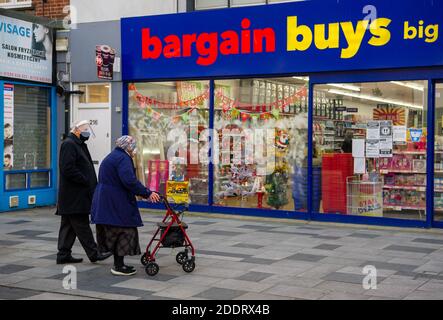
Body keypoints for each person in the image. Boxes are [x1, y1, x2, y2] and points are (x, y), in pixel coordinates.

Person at [91, 136, 161, 276]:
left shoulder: (113, 156)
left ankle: (118, 264)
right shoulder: (123, 158)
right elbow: (129, 180)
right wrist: (147, 193)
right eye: (134, 147)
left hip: (107, 200)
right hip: (115, 201)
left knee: (116, 230)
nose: (135, 150)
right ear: (128, 147)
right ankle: (119, 266)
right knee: (124, 230)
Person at [56, 120, 112, 264]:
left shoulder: (77, 144)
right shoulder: (69, 144)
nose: (87, 132)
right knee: (81, 224)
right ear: (76, 130)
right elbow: (67, 168)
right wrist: (85, 180)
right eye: (85, 129)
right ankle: (94, 253)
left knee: (68, 225)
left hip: (75, 195)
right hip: (74, 195)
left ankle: (63, 254)